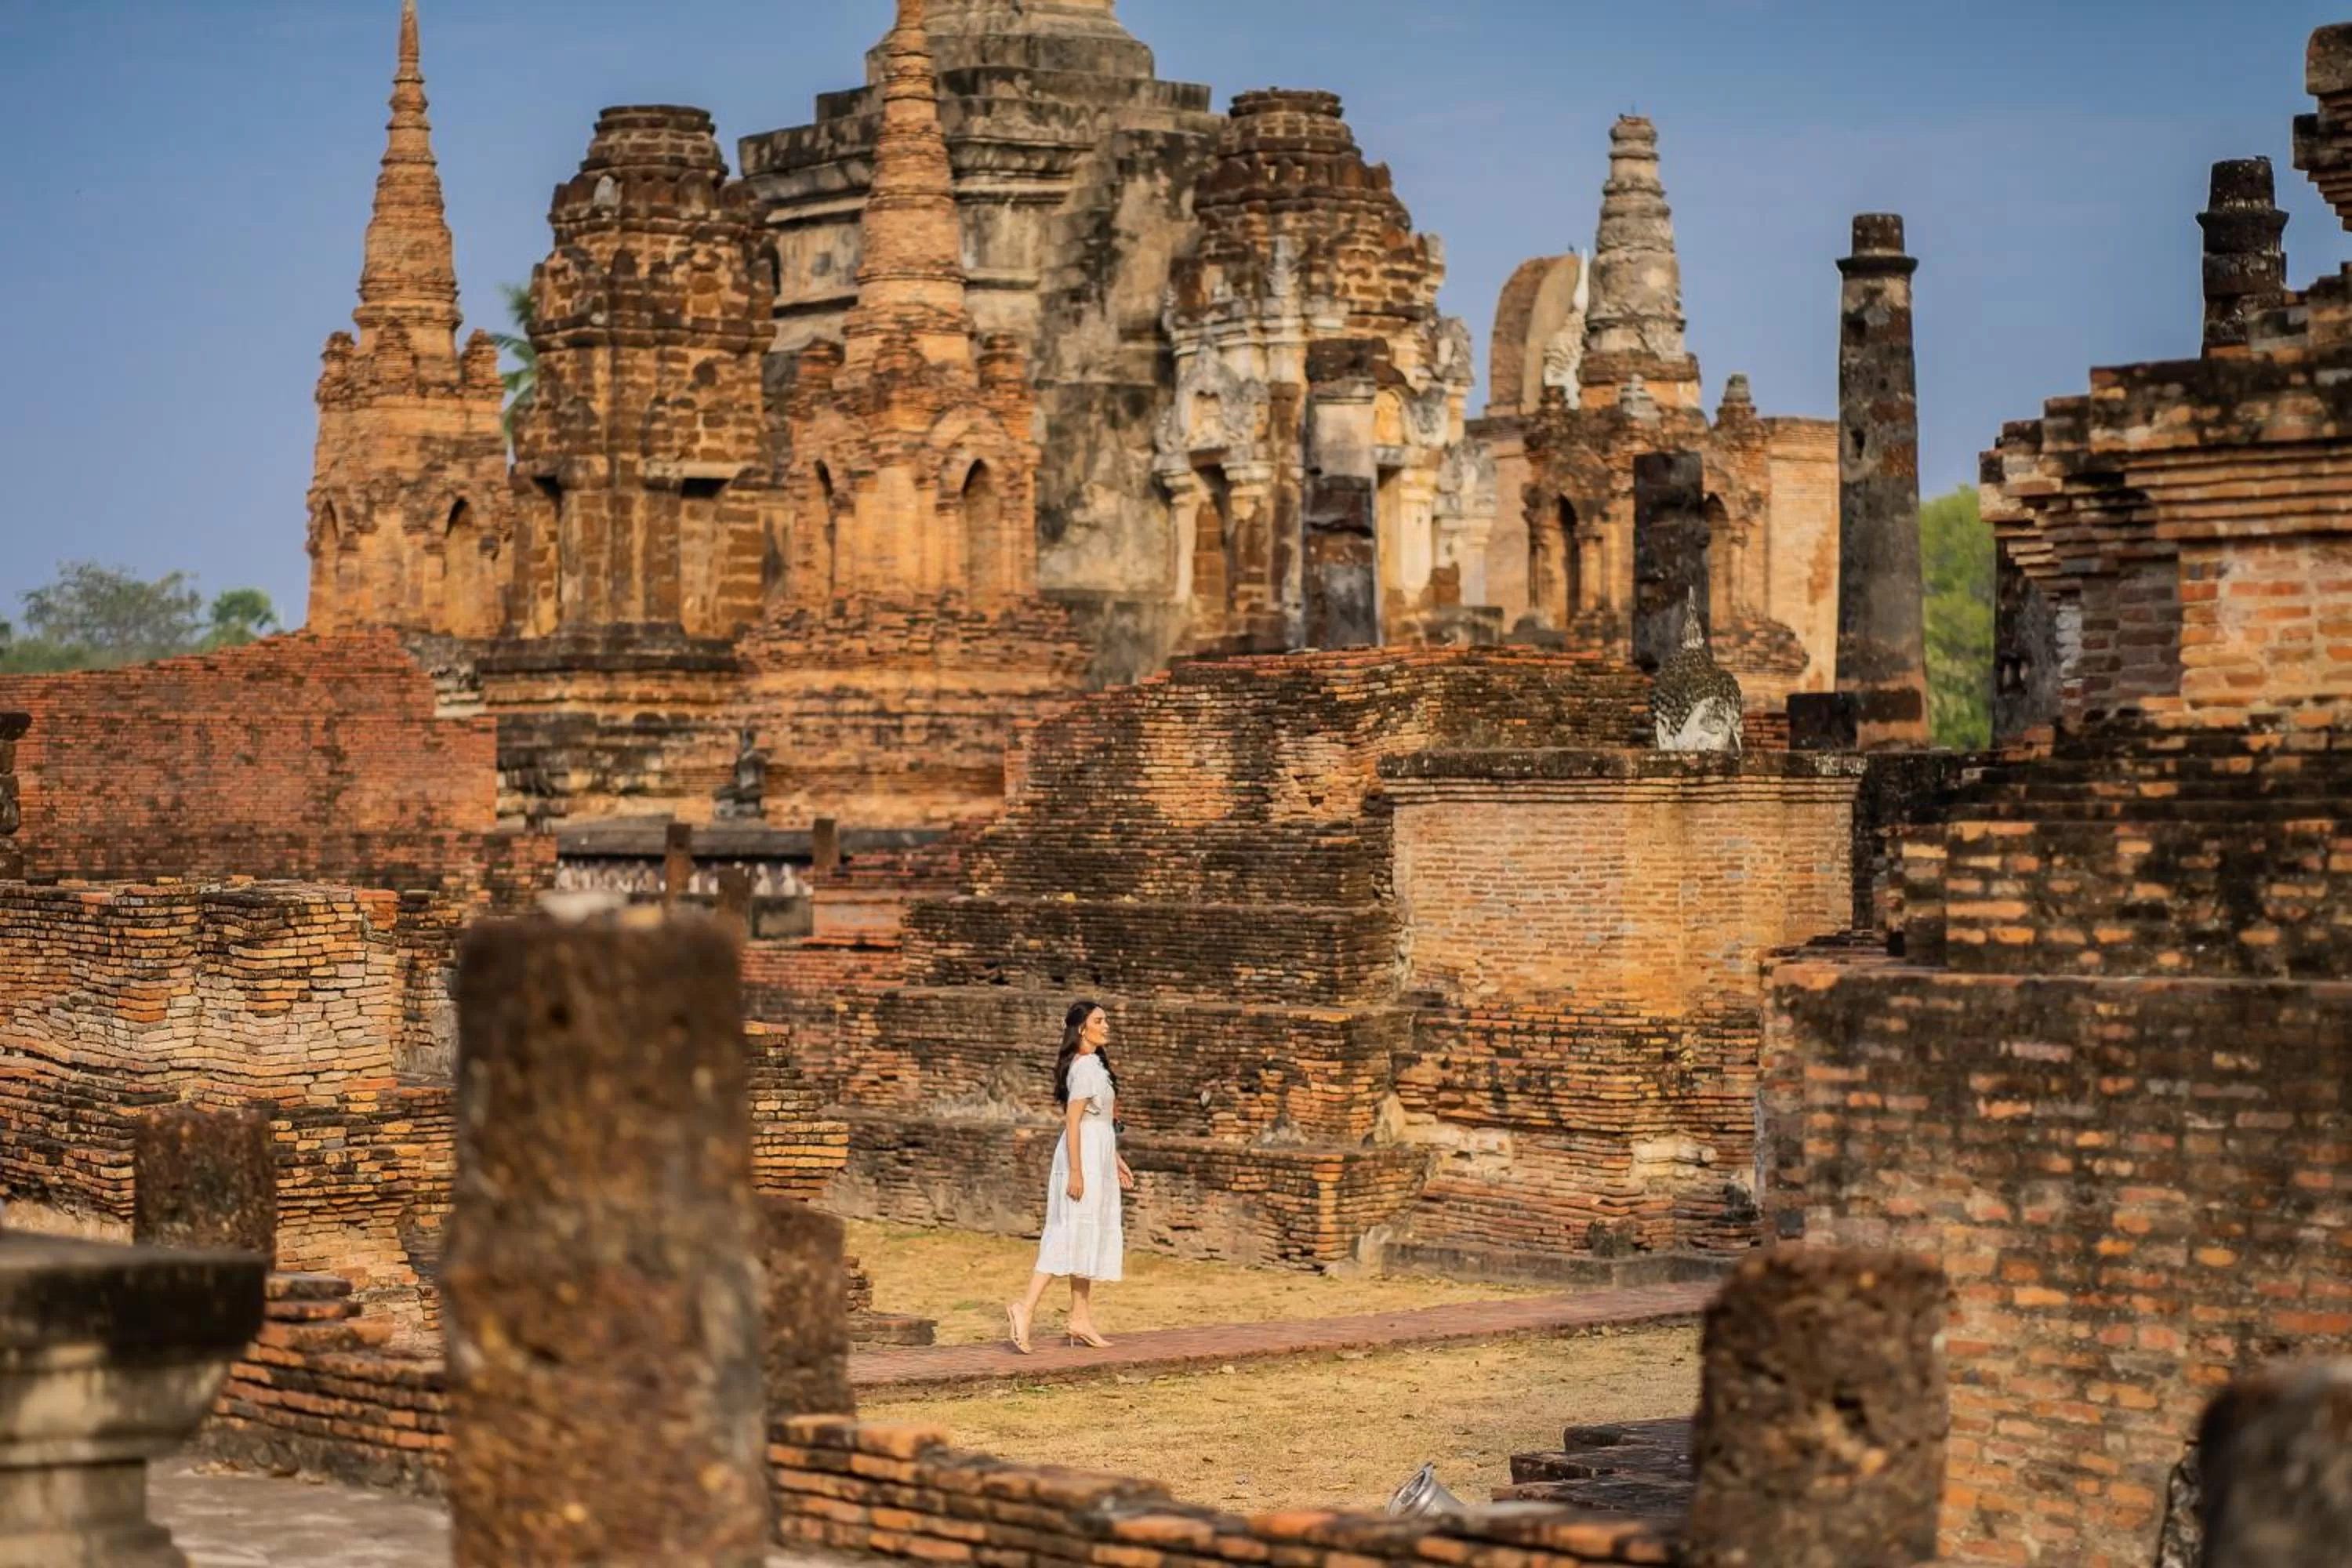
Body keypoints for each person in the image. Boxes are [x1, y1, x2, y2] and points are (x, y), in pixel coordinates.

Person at [1006, 1000, 1133, 1351]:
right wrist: (1077, 1172)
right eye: (1099, 1020)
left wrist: (1114, 1159)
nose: (1106, 1026)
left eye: (1106, 1020)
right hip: (1082, 1158)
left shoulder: (1096, 1066)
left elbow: (1100, 1121)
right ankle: (1025, 1308)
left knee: (1086, 1233)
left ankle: (1080, 1318)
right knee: (1067, 1231)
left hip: (1097, 1153)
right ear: (1082, 1028)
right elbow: (1073, 1121)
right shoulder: (1084, 1068)